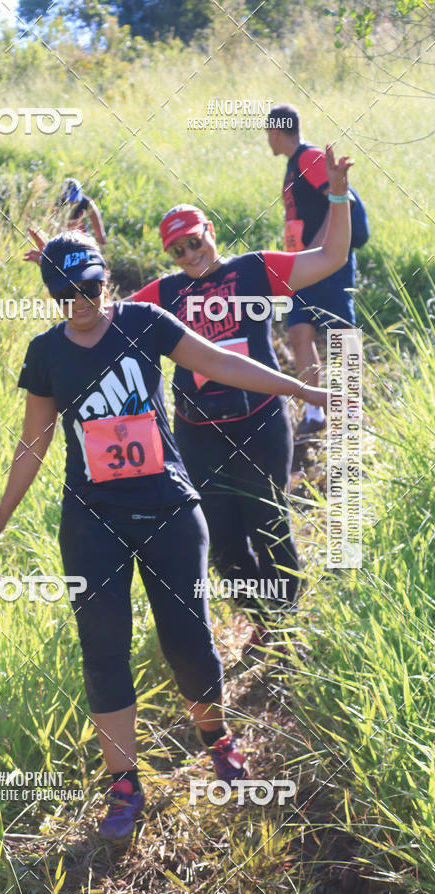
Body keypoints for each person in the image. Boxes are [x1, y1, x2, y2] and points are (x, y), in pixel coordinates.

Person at [0, 230, 328, 841]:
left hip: (168, 507)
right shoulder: (46, 353)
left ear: (106, 281)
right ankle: (123, 785)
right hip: (92, 517)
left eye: (88, 288)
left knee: (187, 636)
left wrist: (296, 386)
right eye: (64, 293)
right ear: (50, 294)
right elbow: (34, 442)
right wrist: (0, 516)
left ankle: (217, 741)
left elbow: (220, 362)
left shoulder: (146, 322)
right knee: (103, 649)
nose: (78, 303)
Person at [125, 145, 353, 638]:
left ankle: (287, 630)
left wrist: (337, 197)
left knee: (269, 527)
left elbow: (331, 257)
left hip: (262, 424)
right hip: (198, 434)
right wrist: (62, 273)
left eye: (192, 241)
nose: (188, 255)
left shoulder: (252, 270)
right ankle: (264, 623)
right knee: (224, 544)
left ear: (209, 232)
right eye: (177, 251)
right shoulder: (162, 294)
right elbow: (104, 320)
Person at [267, 104, 359, 441]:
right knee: (299, 335)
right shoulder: (294, 165)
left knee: (340, 336)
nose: (268, 140)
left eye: (268, 133)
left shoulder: (310, 157)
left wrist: (320, 253)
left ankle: (350, 414)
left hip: (327, 265)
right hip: (301, 269)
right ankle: (315, 414)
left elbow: (342, 199)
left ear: (276, 132)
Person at [24, 178, 106, 263]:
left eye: (75, 200)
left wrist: (103, 251)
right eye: (71, 200)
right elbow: (48, 226)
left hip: (82, 239)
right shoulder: (57, 203)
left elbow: (99, 231)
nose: (73, 202)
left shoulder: (88, 204)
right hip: (62, 239)